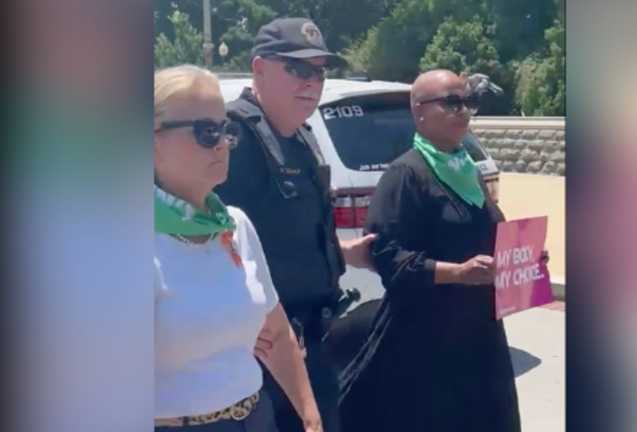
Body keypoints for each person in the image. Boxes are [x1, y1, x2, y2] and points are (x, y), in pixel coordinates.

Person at [338, 70, 523, 432]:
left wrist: (523, 259)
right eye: (451, 103)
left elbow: (488, 235)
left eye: (468, 102)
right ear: (419, 111)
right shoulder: (406, 174)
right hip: (426, 342)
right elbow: (387, 255)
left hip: (479, 332)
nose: (463, 111)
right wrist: (455, 272)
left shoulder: (467, 170)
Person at [214, 18, 375, 432]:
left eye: (319, 71)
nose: (312, 82)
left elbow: (287, 238)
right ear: (259, 68)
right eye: (297, 69)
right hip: (266, 354)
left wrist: (346, 254)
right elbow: (212, 246)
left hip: (315, 338)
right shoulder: (236, 139)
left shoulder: (301, 137)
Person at [154, 65, 323, 432]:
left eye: (225, 130)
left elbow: (277, 335)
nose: (222, 143)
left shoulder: (235, 226)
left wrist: (310, 419)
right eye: (205, 132)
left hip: (254, 419)